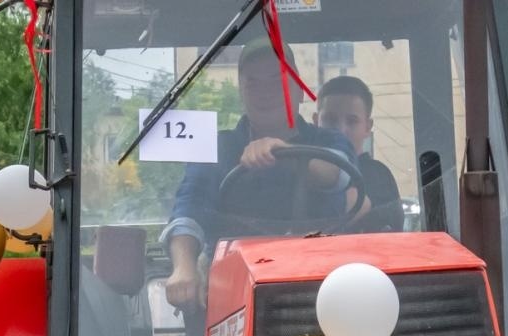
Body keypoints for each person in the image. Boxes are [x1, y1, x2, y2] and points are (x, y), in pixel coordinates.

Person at [161, 39, 356, 314]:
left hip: (324, 289)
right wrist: (184, 267)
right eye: (253, 83)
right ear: (241, 92)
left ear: (299, 91)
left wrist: (286, 153)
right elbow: (188, 211)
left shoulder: (329, 141)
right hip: (235, 294)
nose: (265, 93)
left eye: (276, 81)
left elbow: (337, 176)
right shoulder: (217, 147)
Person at [316, 75, 404, 233]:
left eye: (352, 121)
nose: (341, 130)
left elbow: (331, 217)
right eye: (330, 119)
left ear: (367, 127)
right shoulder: (302, 167)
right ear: (316, 122)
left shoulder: (378, 176)